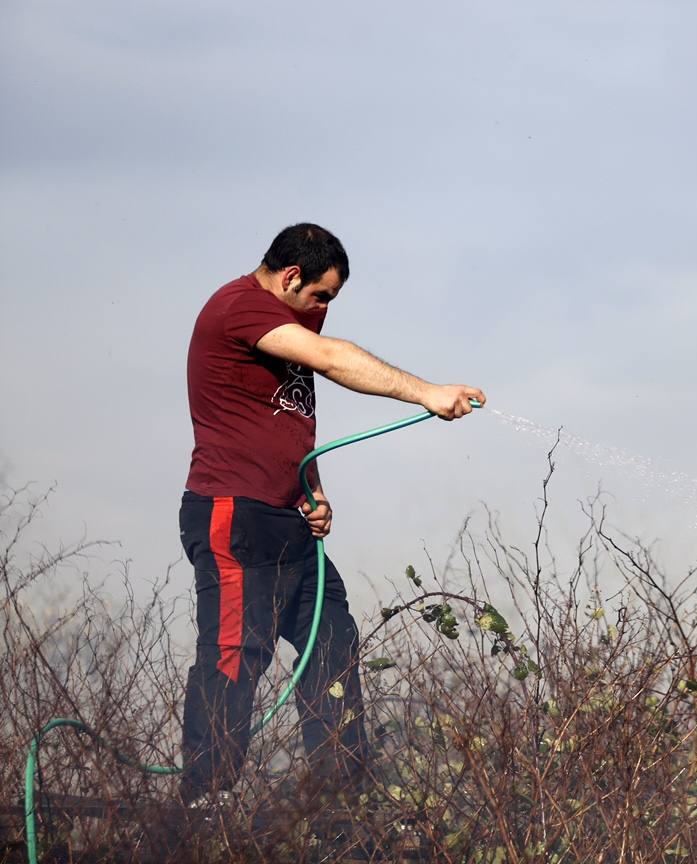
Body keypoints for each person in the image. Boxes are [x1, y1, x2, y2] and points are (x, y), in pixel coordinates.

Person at [179, 223, 485, 805]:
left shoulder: (291, 317)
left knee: (333, 637)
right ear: (291, 277)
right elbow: (331, 359)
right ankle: (205, 802)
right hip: (234, 513)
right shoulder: (238, 306)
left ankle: (340, 795)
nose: (323, 310)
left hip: (288, 519)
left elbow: (285, 416)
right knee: (237, 648)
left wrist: (311, 491)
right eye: (321, 296)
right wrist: (426, 392)